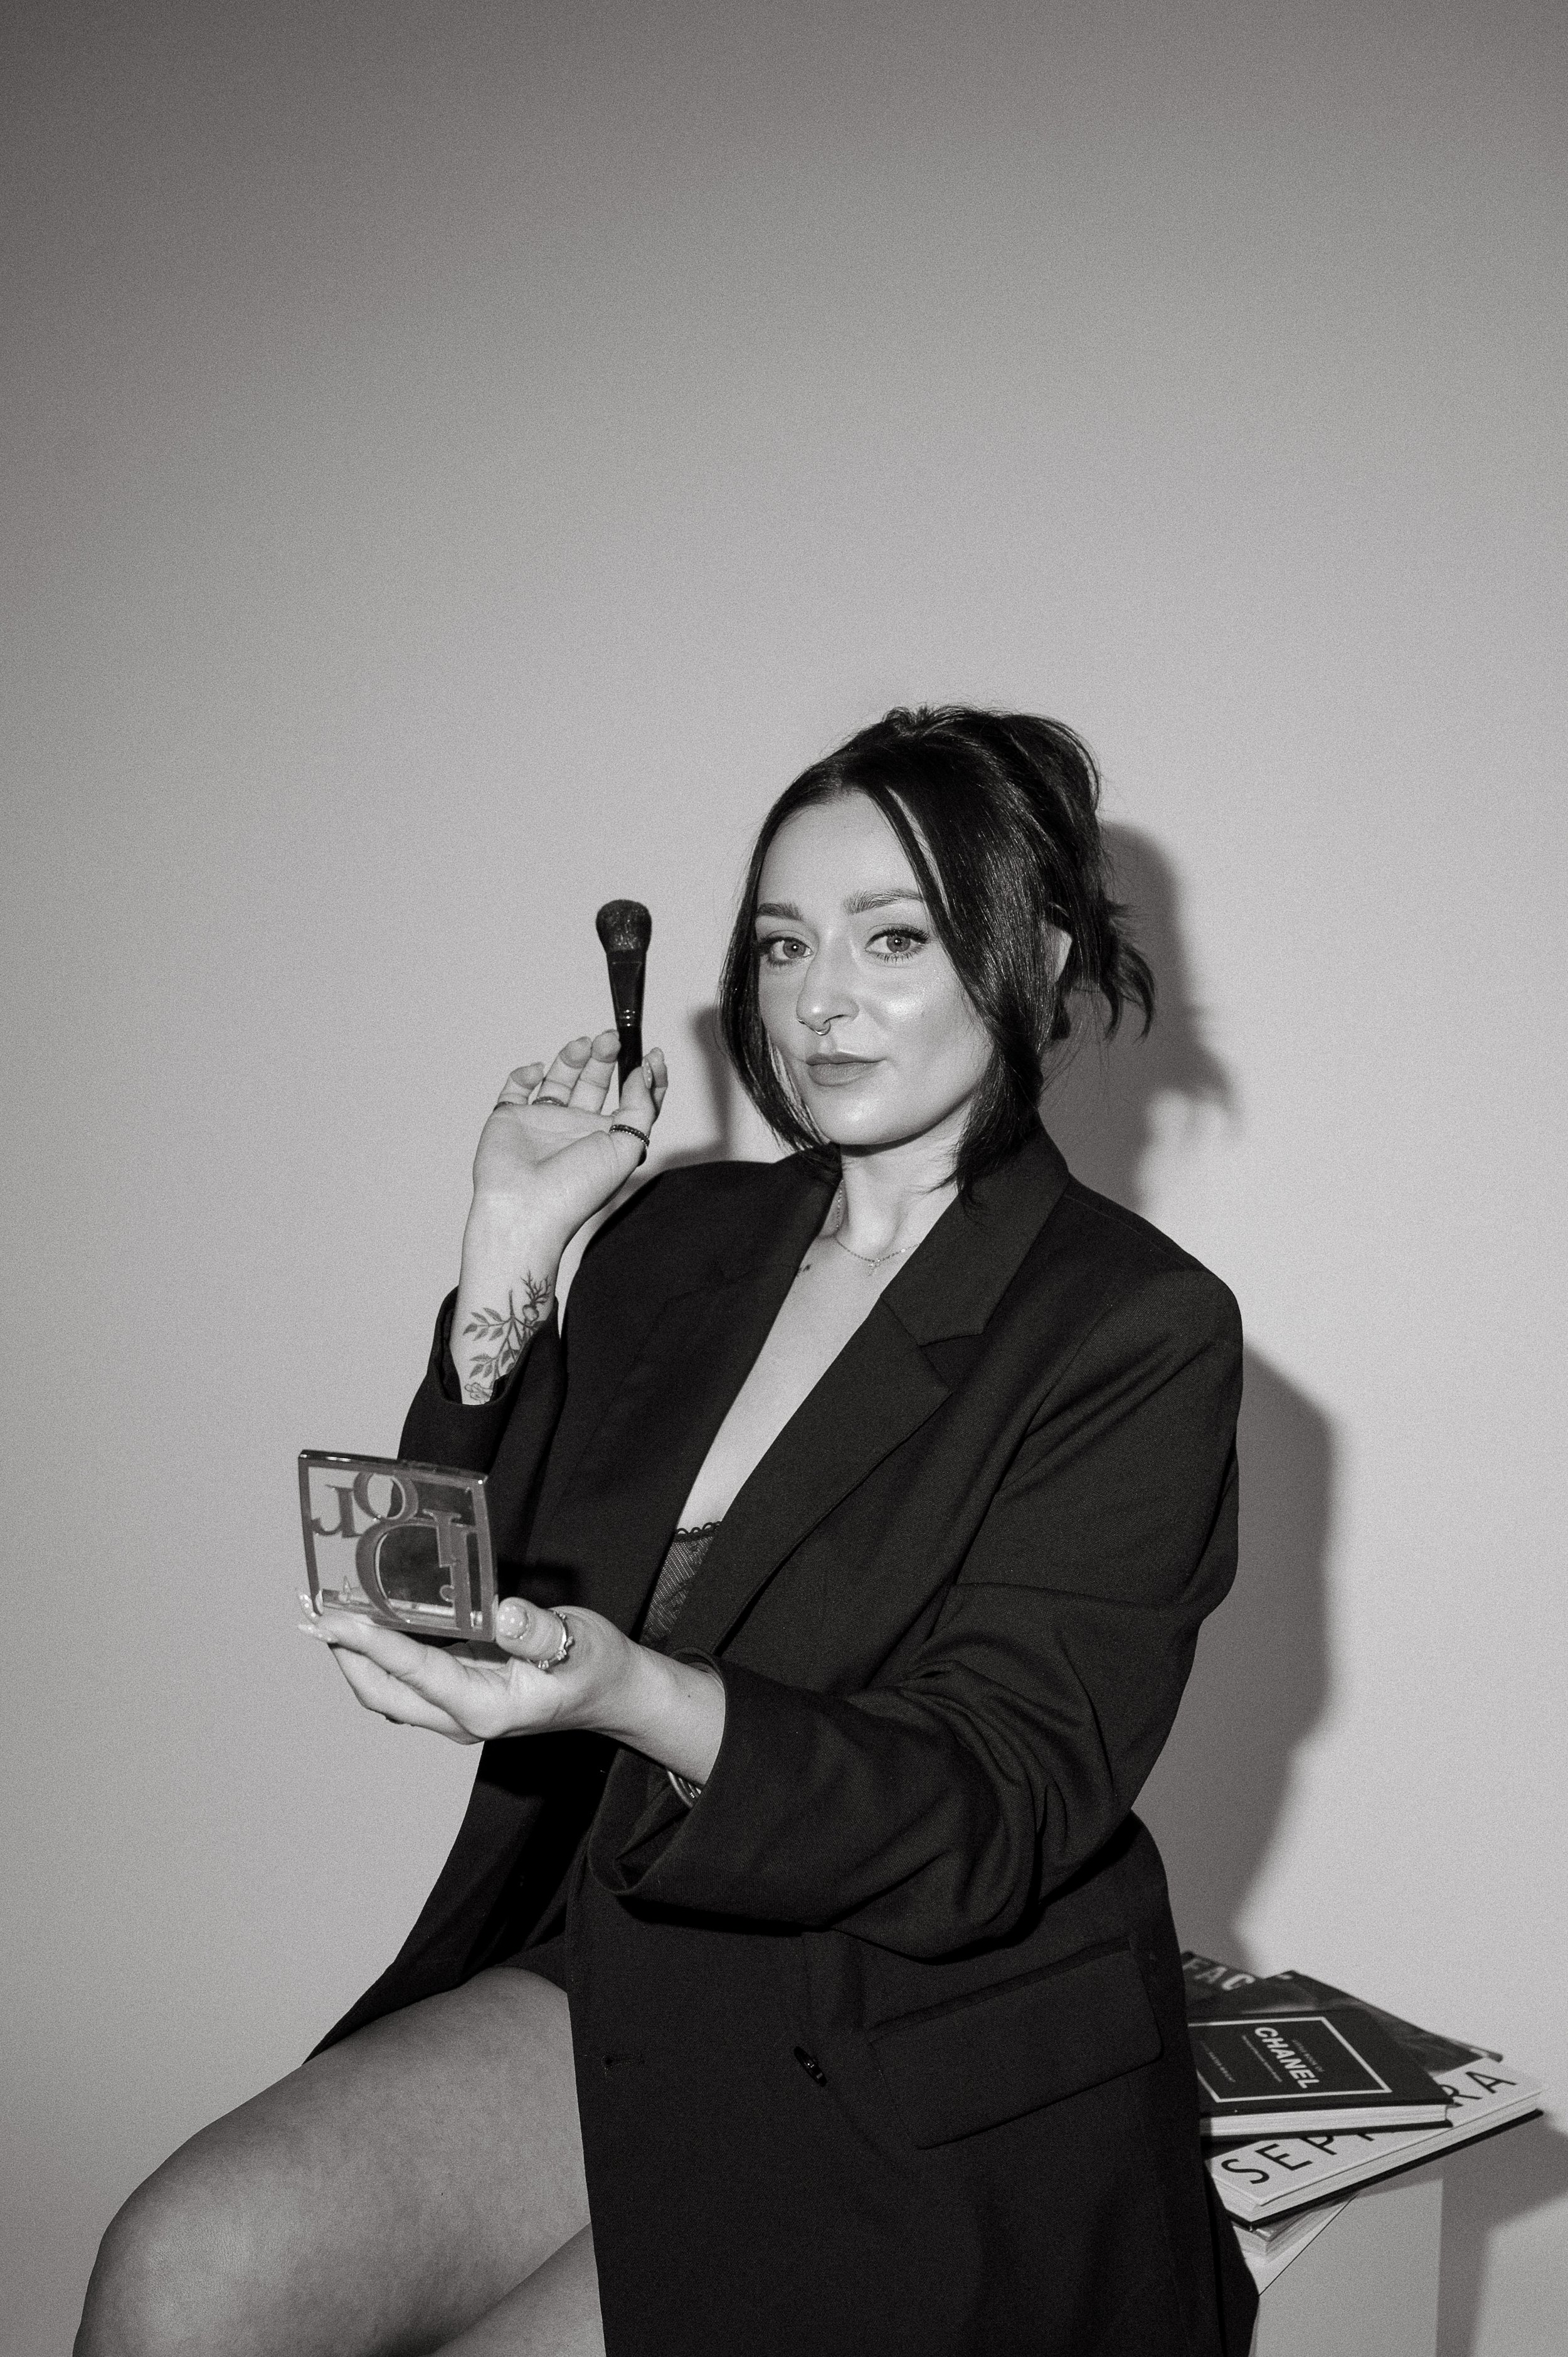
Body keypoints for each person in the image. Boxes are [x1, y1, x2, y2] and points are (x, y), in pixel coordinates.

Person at [78, 707, 1258, 2357]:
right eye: (781, 943)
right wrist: (507, 1257)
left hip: (904, 2041)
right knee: (180, 2270)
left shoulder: (1132, 1326)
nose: (817, 998)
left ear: (1036, 955)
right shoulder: (682, 1237)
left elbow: (993, 1802)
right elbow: (451, 1603)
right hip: (627, 1966)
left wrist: (635, 1692)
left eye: (892, 938)